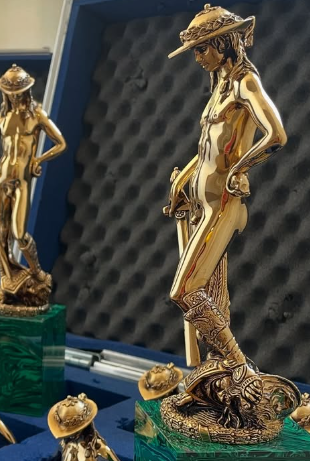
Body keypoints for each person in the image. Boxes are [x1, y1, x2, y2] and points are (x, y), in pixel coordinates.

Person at [163, 4, 300, 441]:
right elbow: (207, 149)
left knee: (185, 291)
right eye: (195, 49)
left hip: (223, 205)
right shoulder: (220, 83)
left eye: (203, 48)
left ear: (225, 43)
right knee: (213, 298)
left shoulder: (245, 81)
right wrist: (183, 180)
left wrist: (241, 168)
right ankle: (219, 377)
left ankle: (240, 368)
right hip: (201, 205)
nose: (198, 56)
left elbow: (276, 134)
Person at [0, 65, 66, 315]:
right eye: (9, 93)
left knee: (19, 233)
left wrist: (38, 160)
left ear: (26, 91)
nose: (13, 97)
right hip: (1, 178)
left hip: (22, 180)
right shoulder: (2, 116)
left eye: (17, 93)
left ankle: (36, 272)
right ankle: (5, 277)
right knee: (0, 233)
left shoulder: (37, 114)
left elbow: (60, 143)